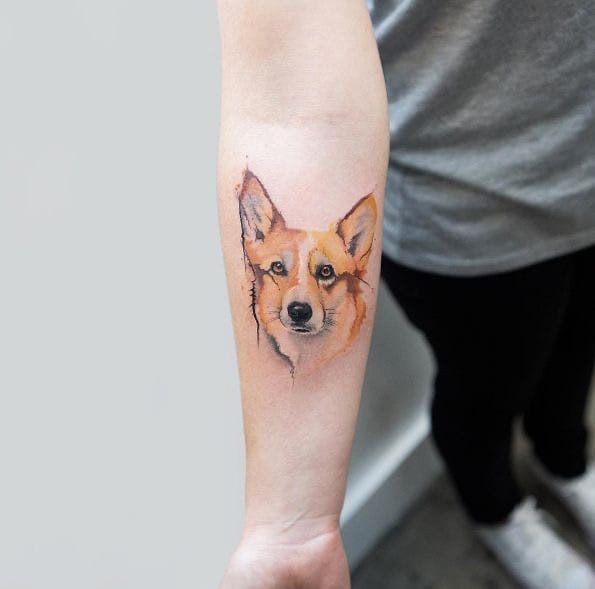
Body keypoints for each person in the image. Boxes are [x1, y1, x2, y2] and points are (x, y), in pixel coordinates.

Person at [217, 1, 595, 588]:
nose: (299, 296)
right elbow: (294, 98)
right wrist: (293, 528)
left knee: (576, 350)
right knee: (486, 393)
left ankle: (564, 460)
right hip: (470, 211)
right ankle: (497, 512)